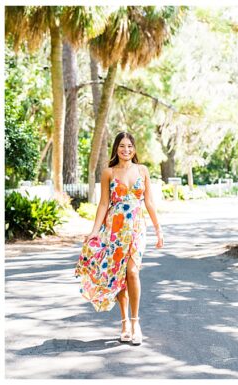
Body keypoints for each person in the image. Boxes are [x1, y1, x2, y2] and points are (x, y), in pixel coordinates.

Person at [75, 131, 165, 345]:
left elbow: (149, 203)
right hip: (114, 230)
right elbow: (104, 204)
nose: (126, 150)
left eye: (130, 146)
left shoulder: (142, 170)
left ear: (134, 149)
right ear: (116, 148)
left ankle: (135, 322)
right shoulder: (108, 172)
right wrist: (94, 231)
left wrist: (159, 230)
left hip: (136, 228)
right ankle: (124, 322)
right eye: (122, 146)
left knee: (132, 272)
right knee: (118, 276)